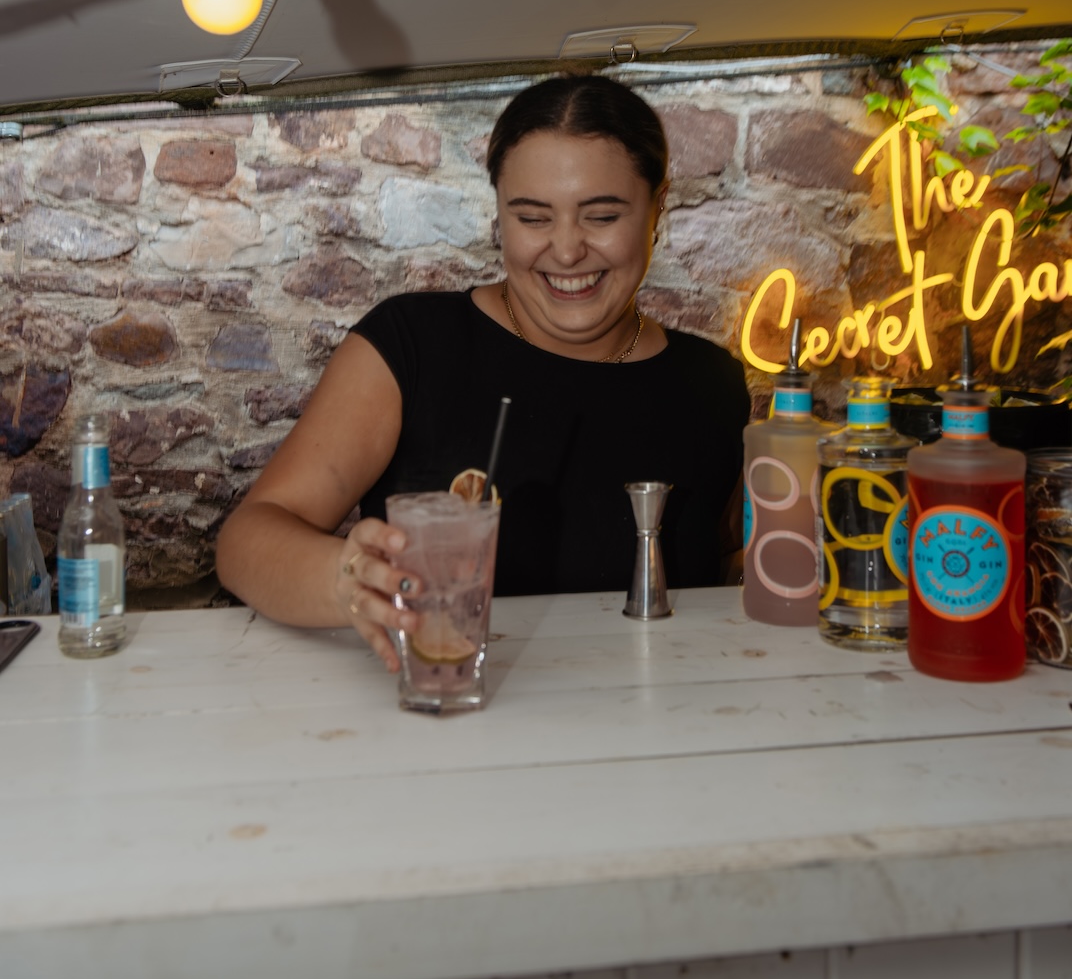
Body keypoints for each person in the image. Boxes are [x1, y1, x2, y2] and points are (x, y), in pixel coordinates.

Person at [216, 75, 750, 672]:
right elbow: (245, 543)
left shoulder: (716, 384)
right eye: (533, 218)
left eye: (601, 216)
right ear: (499, 211)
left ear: (658, 207)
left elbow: (731, 569)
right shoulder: (410, 345)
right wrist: (346, 580)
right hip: (449, 723)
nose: (567, 250)